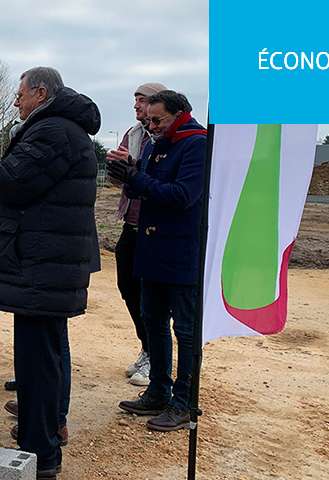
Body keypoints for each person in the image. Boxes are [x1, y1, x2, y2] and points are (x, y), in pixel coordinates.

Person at [0, 66, 100, 479]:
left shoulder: (52, 131)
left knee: (37, 362)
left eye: (20, 94)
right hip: (47, 261)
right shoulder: (59, 128)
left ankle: (40, 454)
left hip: (42, 265)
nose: (15, 101)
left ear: (40, 93)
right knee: (46, 353)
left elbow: (10, 183)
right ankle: (45, 433)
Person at [108, 90, 206, 432]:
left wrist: (137, 178)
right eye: (148, 119)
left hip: (181, 253)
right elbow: (142, 190)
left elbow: (183, 196)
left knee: (185, 330)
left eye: (157, 119)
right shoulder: (154, 142)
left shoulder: (196, 143)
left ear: (180, 113)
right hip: (151, 250)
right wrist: (125, 174)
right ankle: (159, 391)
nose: (150, 125)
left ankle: (184, 402)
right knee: (153, 322)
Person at [106, 82, 167, 387]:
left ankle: (158, 358)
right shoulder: (133, 135)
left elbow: (156, 176)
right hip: (131, 222)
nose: (136, 107)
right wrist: (116, 170)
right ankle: (147, 347)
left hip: (155, 226)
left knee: (153, 296)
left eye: (141, 101)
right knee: (127, 287)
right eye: (136, 101)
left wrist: (132, 168)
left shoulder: (165, 137)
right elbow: (125, 183)